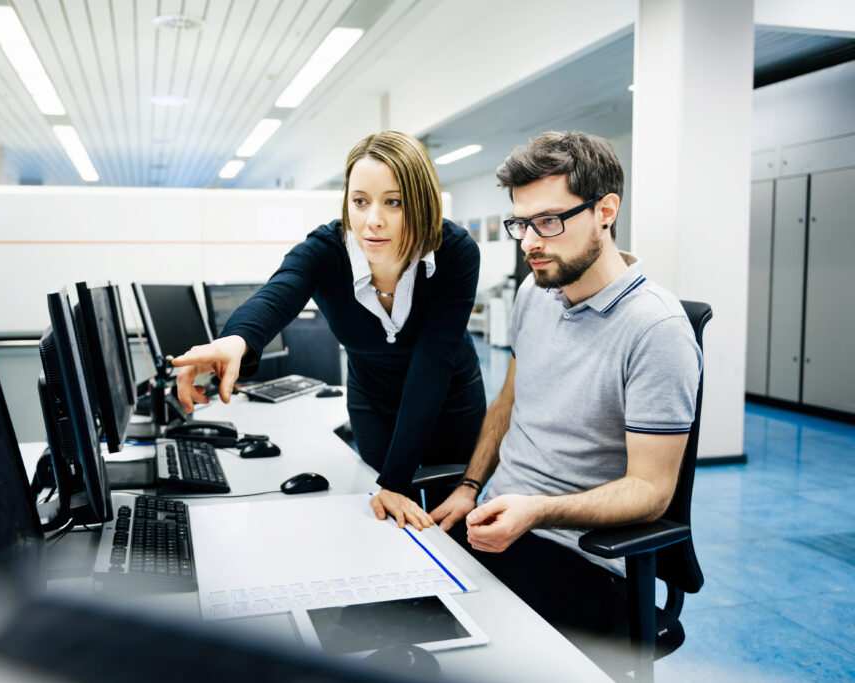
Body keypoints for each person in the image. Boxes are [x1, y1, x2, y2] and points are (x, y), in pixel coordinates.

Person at [429, 131, 701, 654]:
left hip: (585, 559)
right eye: (520, 224)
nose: (530, 242)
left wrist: (536, 511)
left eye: (548, 221)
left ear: (605, 210)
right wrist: (469, 485)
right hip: (501, 525)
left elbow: (652, 490)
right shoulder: (537, 291)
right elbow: (509, 403)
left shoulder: (656, 329)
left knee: (454, 648)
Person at [172, 131, 486, 530]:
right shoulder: (326, 251)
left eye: (394, 202)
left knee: (448, 522)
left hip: (448, 399)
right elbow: (278, 293)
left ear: (421, 202)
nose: (372, 219)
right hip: (373, 400)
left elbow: (432, 366)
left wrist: (396, 480)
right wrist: (236, 341)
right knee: (387, 519)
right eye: (360, 201)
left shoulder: (455, 252)